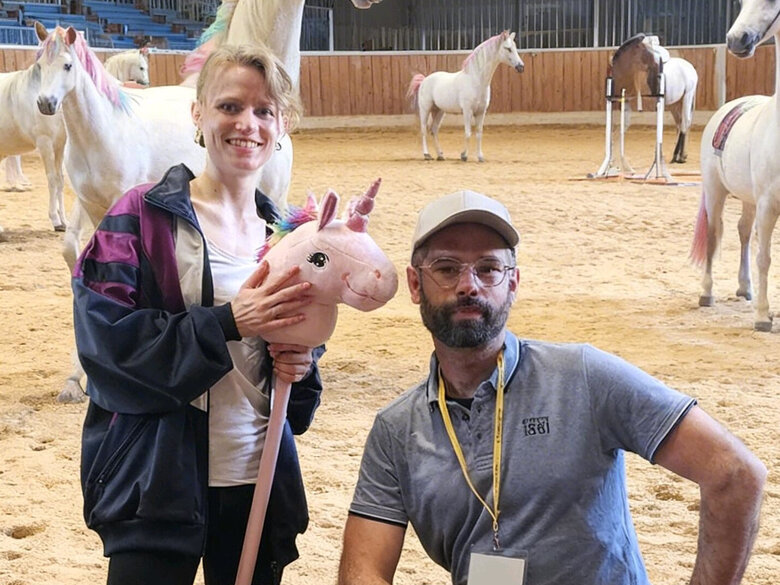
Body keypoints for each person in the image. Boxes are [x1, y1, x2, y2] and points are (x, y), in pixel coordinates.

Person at [337, 190, 768, 585]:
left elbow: (734, 472)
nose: (469, 285)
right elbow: (363, 572)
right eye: (447, 268)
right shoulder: (396, 430)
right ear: (415, 284)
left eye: (489, 268)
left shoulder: (584, 376)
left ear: (513, 284)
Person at [74, 44, 320, 585]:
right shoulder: (138, 215)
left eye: (264, 111)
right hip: (157, 487)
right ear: (198, 114)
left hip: (257, 484)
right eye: (230, 106)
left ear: (282, 126)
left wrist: (300, 365)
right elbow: (105, 348)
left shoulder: (290, 237)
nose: (246, 124)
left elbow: (296, 377)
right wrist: (228, 323)